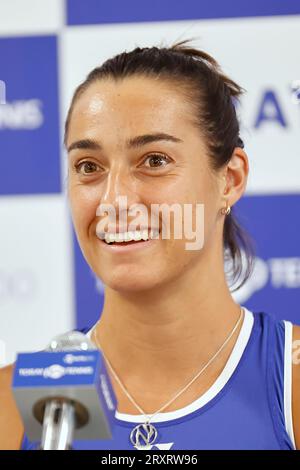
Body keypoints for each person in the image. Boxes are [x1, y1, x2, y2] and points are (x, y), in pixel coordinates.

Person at [1, 40, 300, 450]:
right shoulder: (12, 405)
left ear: (229, 180)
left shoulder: (290, 377)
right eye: (88, 167)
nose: (114, 201)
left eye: (154, 160)